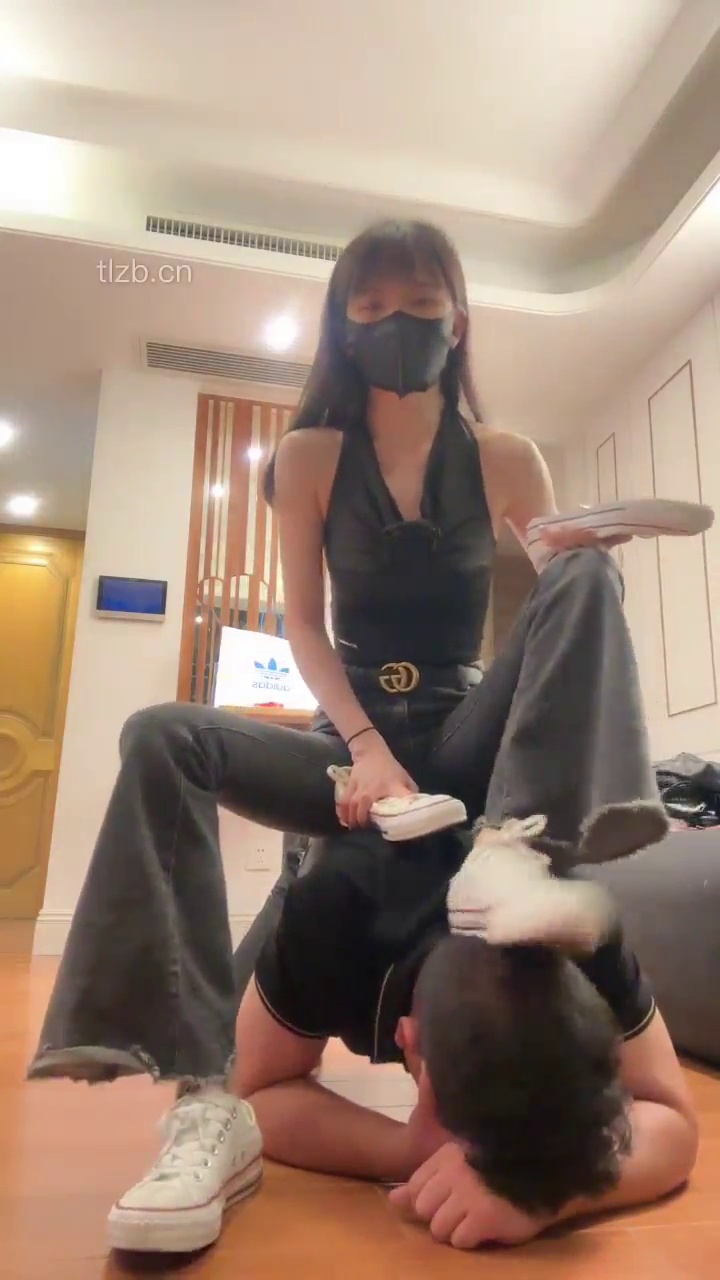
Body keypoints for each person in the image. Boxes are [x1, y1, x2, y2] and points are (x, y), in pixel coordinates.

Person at [28, 218, 668, 1236]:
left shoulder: (507, 457)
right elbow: (301, 626)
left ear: (458, 322)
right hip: (351, 743)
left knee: (588, 574)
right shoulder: (309, 456)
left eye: (420, 305)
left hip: (461, 734)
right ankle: (187, 1073)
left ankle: (513, 856)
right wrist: (365, 749)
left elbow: (553, 610)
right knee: (161, 733)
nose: (396, 323)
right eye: (371, 307)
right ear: (342, 325)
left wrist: (579, 552)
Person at [107, 820, 698, 1253]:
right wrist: (406, 1150)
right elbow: (254, 1091)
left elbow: (672, 1117)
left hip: (499, 838)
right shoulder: (336, 911)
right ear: (407, 1041)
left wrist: (547, 1194)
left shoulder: (581, 923)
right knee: (210, 1073)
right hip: (352, 838)